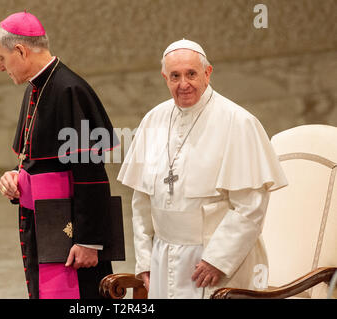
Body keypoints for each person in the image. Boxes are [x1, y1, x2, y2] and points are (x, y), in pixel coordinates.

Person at [117, 39, 288, 298]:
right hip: (163, 257)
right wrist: (144, 259)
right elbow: (141, 201)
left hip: (213, 263)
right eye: (175, 76)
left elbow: (251, 205)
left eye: (191, 74)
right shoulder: (153, 119)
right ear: (165, 77)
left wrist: (218, 259)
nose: (183, 84)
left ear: (208, 73)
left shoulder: (238, 122)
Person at [0, 11, 118, 299]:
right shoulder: (37, 88)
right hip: (49, 228)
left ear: (20, 51)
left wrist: (89, 241)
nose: (0, 67)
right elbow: (38, 162)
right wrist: (14, 180)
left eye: (1, 58)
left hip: (73, 237)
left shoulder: (69, 89)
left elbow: (90, 171)